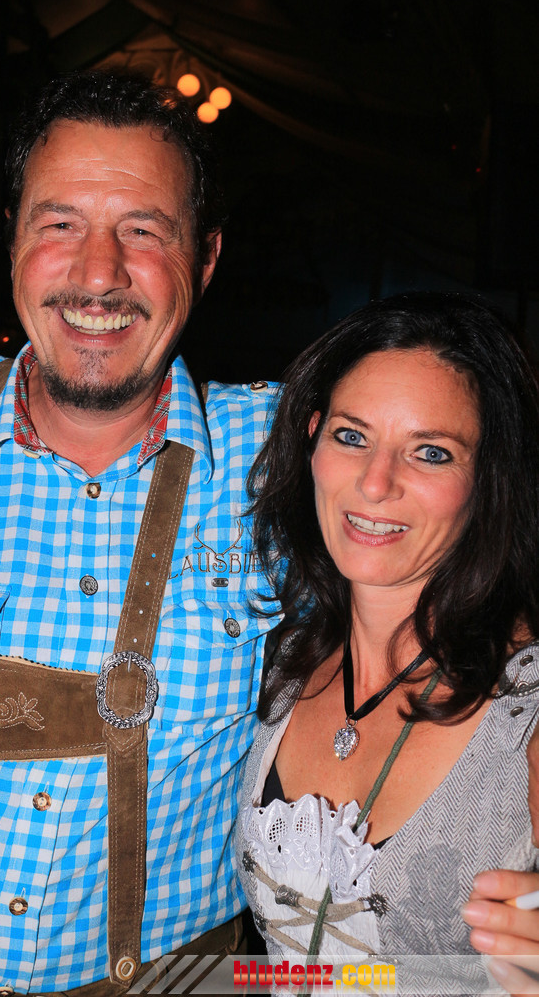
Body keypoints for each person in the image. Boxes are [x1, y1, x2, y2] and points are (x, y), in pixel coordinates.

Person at [0, 69, 280, 995]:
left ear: (206, 258)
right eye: (59, 224)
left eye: (144, 231)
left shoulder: (284, 462)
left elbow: (470, 640)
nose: (98, 274)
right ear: (12, 239)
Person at [237, 292, 539, 993]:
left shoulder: (525, 708)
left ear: (487, 480)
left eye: (431, 453)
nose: (376, 484)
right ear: (312, 439)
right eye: (352, 436)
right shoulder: (283, 661)